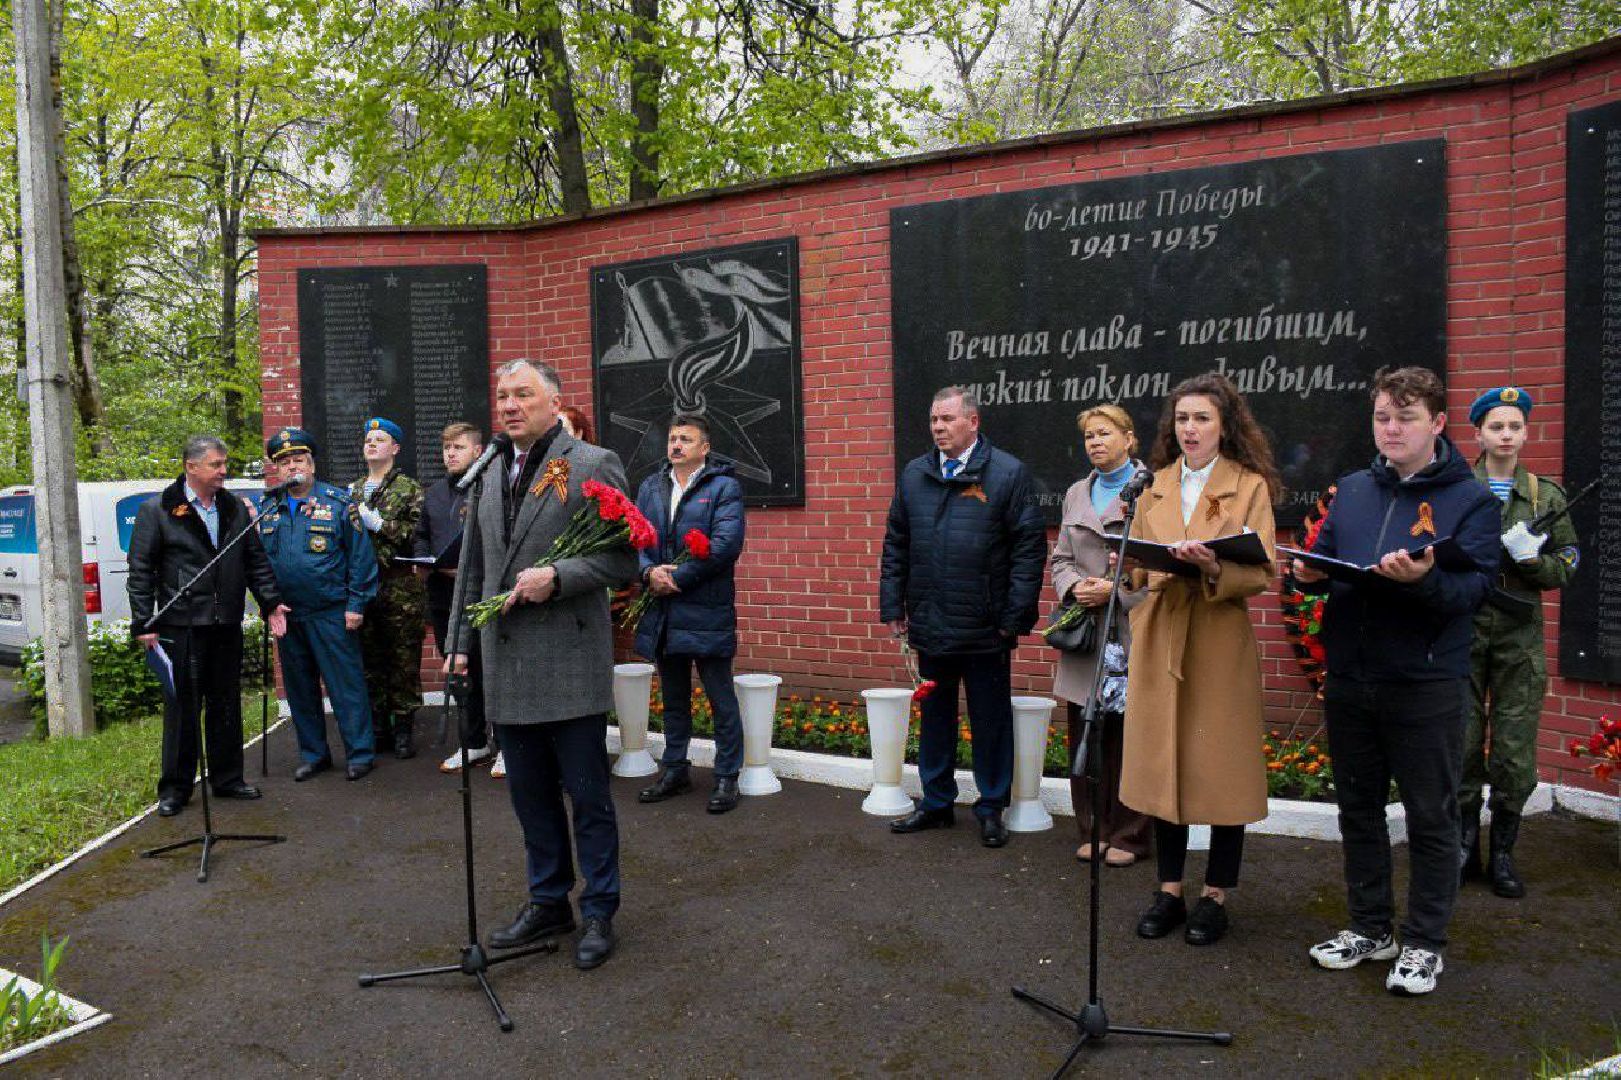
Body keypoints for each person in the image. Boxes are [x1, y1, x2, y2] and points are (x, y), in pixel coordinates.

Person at [1295, 366, 1499, 996]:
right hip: (1353, 676)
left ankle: (1424, 943)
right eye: (1382, 416)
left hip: (1425, 682)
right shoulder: (1353, 489)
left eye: (1405, 418)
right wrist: (1307, 577)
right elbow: (1324, 556)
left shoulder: (1473, 501)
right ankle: (1371, 928)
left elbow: (1475, 590)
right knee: (1358, 809)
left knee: (1430, 817)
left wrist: (1425, 581)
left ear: (1437, 423)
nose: (1391, 429)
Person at [448, 359, 638, 970]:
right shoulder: (487, 472)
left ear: (554, 403)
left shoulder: (591, 464)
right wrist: (458, 639)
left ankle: (600, 908)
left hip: (566, 659)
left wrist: (559, 577)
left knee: (587, 798)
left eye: (522, 394)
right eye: (502, 395)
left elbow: (623, 560)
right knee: (530, 800)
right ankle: (548, 899)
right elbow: (475, 565)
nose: (508, 405)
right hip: (506, 664)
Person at [1121, 373, 1277, 949]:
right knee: (1166, 761)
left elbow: (1261, 569)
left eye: (1202, 418)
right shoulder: (1152, 485)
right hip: (1162, 634)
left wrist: (1213, 566)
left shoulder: (1248, 486)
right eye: (1182, 419)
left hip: (1216, 636)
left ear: (1224, 425)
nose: (1190, 429)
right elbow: (1134, 565)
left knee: (1222, 765)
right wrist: (1134, 567)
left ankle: (1216, 896)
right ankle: (1168, 890)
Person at [879, 385, 1046, 849]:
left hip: (986, 626)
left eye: (948, 419)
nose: (938, 427)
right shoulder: (915, 474)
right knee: (935, 717)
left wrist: (1013, 618)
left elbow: (1029, 551)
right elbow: (897, 543)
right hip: (931, 621)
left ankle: (991, 808)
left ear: (973, 422)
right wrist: (894, 607)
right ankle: (936, 804)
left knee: (990, 720)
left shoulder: (1008, 473)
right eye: (934, 419)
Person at [126, 436, 288, 816]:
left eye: (224, 463)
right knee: (182, 707)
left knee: (225, 702)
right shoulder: (159, 510)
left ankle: (228, 779)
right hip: (181, 624)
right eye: (216, 464)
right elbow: (141, 571)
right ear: (191, 467)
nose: (223, 471)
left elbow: (254, 559)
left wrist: (269, 602)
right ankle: (175, 788)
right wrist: (143, 621)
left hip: (225, 621)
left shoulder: (234, 508)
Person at [1461, 387, 1579, 897]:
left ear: (1526, 433)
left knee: (1513, 749)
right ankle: (1465, 847)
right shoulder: (1458, 489)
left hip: (1519, 634)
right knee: (1462, 742)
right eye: (1496, 427)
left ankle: (1503, 853)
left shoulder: (1545, 495)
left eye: (1515, 427)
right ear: (1479, 434)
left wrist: (1532, 560)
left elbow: (1569, 561)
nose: (1506, 436)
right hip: (1463, 629)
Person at [1049, 404, 1149, 866]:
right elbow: (1060, 559)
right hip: (1087, 632)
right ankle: (1092, 828)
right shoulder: (1075, 494)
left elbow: (1158, 564)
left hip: (1129, 629)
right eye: (1089, 435)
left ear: (1129, 438)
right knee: (1086, 733)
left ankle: (1129, 834)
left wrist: (1115, 590)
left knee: (1129, 735)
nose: (1095, 442)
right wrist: (1076, 587)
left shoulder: (1153, 491)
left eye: (1104, 433)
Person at [632, 414, 748, 814]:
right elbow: (637, 536)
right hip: (663, 610)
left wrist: (678, 576)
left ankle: (727, 775)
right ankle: (675, 769)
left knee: (720, 696)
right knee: (673, 696)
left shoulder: (723, 487)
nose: (676, 444)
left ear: (705, 448)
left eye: (686, 438)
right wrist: (648, 572)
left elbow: (725, 544)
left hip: (705, 607)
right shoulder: (651, 485)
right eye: (672, 437)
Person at [258, 427, 381, 781]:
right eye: (284, 463)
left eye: (298, 460)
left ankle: (360, 753)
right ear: (277, 470)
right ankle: (314, 754)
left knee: (346, 686)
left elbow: (361, 559)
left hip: (331, 612)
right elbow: (260, 565)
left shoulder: (340, 504)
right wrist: (268, 605)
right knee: (299, 689)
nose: (292, 467)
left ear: (311, 465)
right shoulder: (268, 509)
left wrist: (356, 604)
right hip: (288, 615)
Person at [412, 422, 497, 775]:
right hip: (445, 595)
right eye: (447, 448)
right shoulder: (433, 494)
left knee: (491, 669)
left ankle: (505, 745)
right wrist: (423, 560)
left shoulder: (492, 489)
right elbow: (421, 536)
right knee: (462, 674)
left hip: (484, 596)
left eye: (458, 447)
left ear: (478, 451)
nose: (450, 454)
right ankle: (473, 742)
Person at [347, 417, 428, 760]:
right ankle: (378, 727)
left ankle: (404, 731)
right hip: (365, 588)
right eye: (368, 439)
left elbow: (416, 535)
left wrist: (380, 524)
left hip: (398, 585)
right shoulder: (352, 490)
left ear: (394, 448)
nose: (372, 443)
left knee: (403, 659)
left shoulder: (409, 489)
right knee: (369, 658)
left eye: (380, 439)